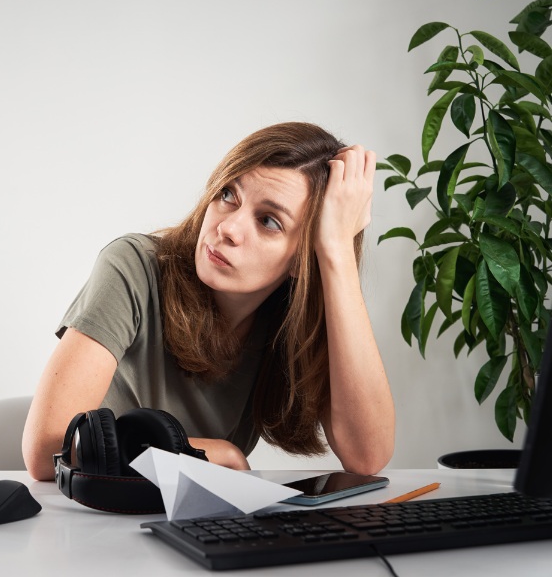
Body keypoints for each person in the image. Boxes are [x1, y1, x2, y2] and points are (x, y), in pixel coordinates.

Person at [23, 122, 395, 481]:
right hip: (95, 522)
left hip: (199, 531)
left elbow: (367, 457)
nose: (227, 228)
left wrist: (337, 251)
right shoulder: (133, 267)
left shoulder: (285, 323)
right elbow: (47, 450)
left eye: (268, 221)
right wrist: (216, 452)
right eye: (228, 195)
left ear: (303, 258)